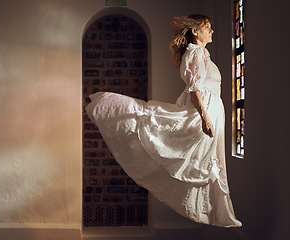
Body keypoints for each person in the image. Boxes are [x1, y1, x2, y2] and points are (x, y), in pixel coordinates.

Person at [85, 14, 242, 227]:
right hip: (200, 114)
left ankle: (218, 213)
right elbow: (195, 89)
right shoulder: (194, 53)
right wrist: (205, 118)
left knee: (205, 165)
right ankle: (114, 108)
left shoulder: (203, 54)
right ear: (195, 31)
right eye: (208, 27)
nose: (212, 31)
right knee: (184, 154)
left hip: (210, 111)